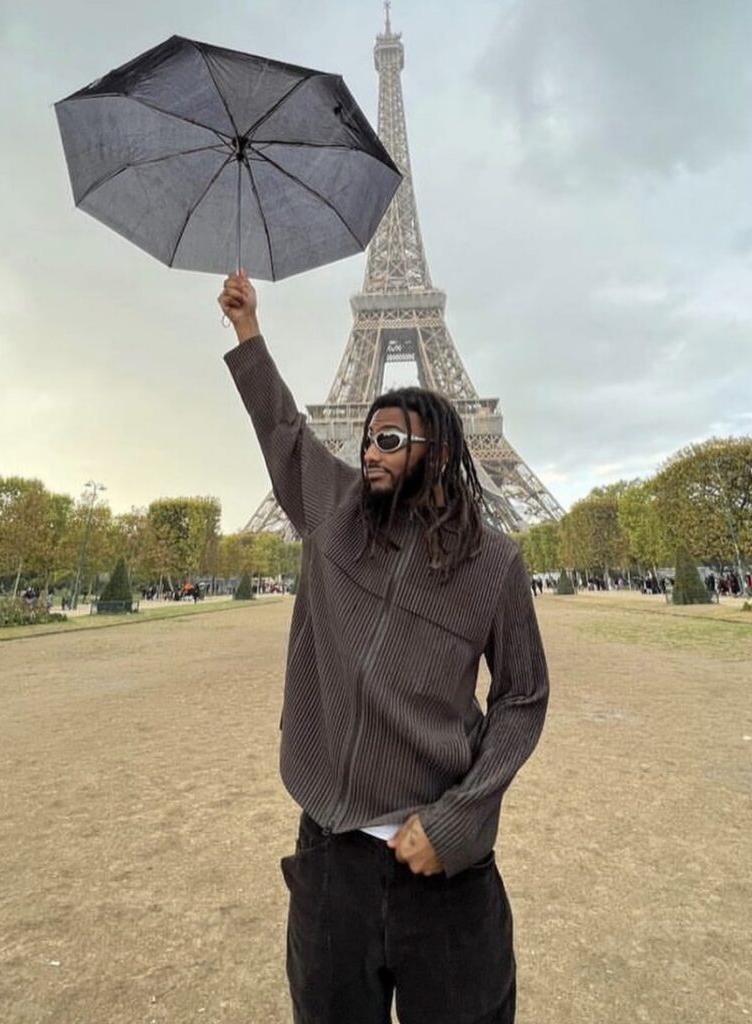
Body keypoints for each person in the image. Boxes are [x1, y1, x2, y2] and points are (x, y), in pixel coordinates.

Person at [218, 271, 549, 1024]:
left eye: (391, 440)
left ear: (439, 451)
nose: (370, 451)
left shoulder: (493, 563)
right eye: (368, 437)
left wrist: (461, 820)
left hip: (443, 863)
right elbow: (285, 432)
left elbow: (522, 698)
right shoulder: (335, 514)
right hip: (332, 856)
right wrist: (247, 332)